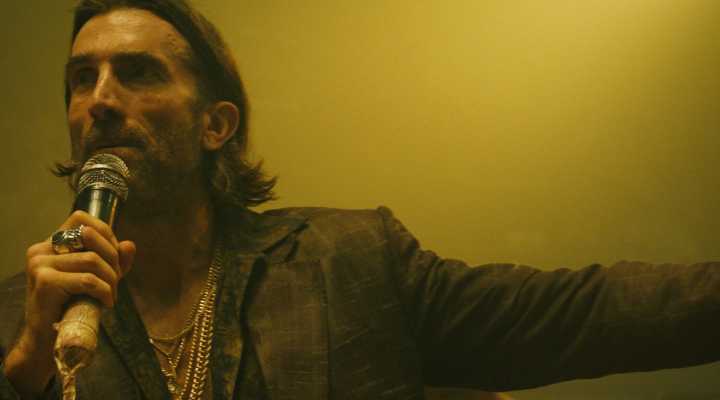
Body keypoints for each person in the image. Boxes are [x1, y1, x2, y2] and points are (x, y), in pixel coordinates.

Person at [0, 0, 718, 399]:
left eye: (137, 73)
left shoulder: (346, 261)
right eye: (81, 78)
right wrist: (28, 365)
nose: (99, 100)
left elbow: (572, 315)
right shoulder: (17, 320)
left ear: (216, 125)